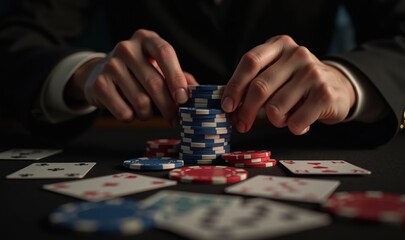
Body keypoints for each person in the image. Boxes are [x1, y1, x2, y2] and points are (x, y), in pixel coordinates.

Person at [0, 0, 404, 148]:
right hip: (131, 135)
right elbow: (15, 38)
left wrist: (350, 80)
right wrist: (81, 74)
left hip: (301, 137)